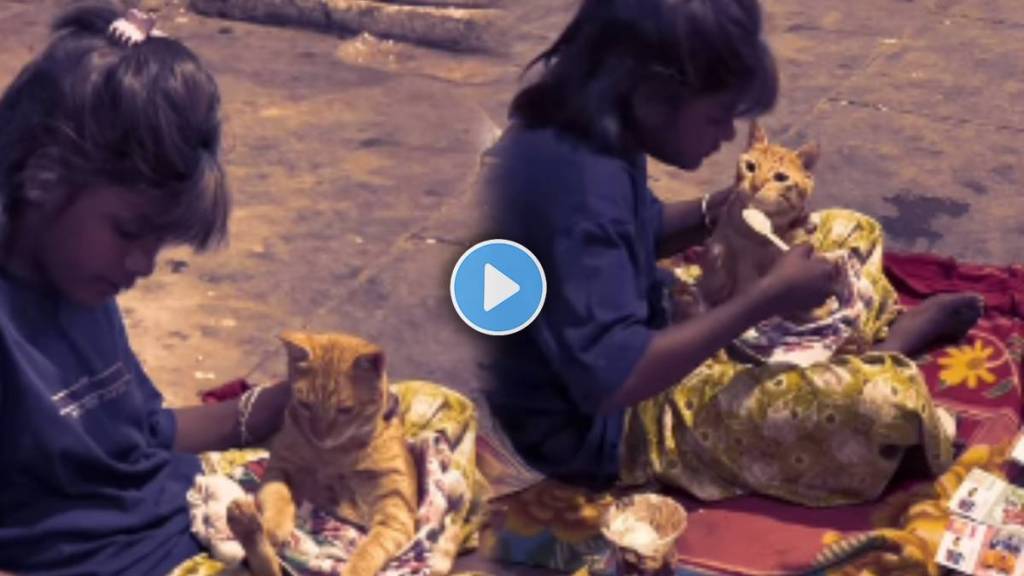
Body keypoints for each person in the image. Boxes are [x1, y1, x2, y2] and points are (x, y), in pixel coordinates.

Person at [482, 0, 983, 505]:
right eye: (717, 118)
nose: (725, 138)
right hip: (615, 426)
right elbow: (616, 381)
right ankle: (883, 353)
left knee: (848, 230)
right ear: (656, 95)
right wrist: (764, 298)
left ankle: (819, 354)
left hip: (652, 324)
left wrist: (717, 209)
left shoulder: (601, 120)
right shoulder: (579, 183)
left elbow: (639, 230)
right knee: (883, 405)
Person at [0, 4, 292, 574]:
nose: (143, 265)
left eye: (158, 244)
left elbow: (142, 433)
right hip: (131, 559)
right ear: (43, 175)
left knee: (425, 413)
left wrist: (268, 410)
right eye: (130, 232)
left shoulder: (79, 281)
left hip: (192, 515)